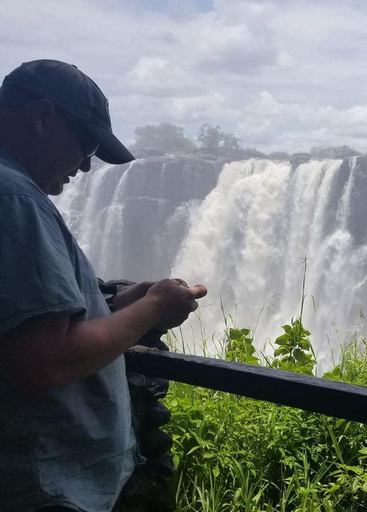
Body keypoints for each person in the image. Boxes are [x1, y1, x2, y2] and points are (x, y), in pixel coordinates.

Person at [0, 60, 207, 512]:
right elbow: (45, 362)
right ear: (41, 118)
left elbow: (23, 325)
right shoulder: (13, 197)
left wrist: (112, 304)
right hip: (44, 489)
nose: (88, 166)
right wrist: (151, 310)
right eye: (88, 144)